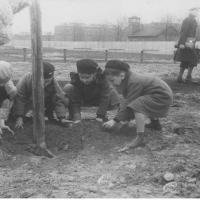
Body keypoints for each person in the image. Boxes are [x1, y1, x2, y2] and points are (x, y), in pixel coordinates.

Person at [102, 60, 173, 150]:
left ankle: (140, 138)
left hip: (162, 96)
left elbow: (129, 102)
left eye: (112, 80)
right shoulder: (127, 79)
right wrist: (126, 118)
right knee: (141, 101)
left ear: (122, 75)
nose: (111, 83)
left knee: (138, 105)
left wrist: (115, 120)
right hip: (155, 94)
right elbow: (127, 100)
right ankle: (155, 124)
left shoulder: (134, 81)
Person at [14, 62, 70, 128]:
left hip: (45, 100)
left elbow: (58, 100)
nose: (46, 84)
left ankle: (48, 114)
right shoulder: (26, 79)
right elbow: (20, 99)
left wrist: (62, 118)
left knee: (64, 100)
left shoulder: (53, 83)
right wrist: (19, 118)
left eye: (48, 81)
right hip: (28, 100)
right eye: (43, 81)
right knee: (20, 118)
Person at [174, 7, 200, 83]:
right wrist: (181, 43)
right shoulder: (187, 20)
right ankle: (187, 77)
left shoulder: (194, 21)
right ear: (191, 11)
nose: (197, 12)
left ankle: (181, 77)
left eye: (197, 11)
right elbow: (183, 32)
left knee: (187, 60)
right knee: (193, 59)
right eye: (195, 11)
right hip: (186, 43)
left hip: (191, 43)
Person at [0, 61, 17, 138]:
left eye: (3, 82)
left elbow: (4, 106)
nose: (1, 85)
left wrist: (2, 123)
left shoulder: (10, 89)